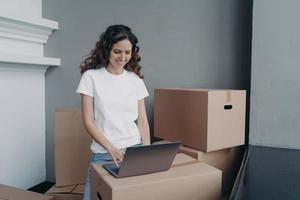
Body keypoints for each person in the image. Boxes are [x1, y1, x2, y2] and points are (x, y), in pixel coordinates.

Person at [76, 24, 150, 200]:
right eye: (117, 51)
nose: (122, 57)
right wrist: (111, 148)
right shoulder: (91, 77)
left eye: (127, 52)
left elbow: (143, 121)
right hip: (104, 154)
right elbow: (88, 122)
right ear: (107, 48)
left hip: (134, 151)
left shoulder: (135, 81)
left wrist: (146, 153)